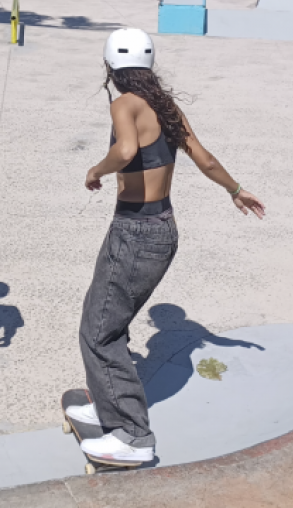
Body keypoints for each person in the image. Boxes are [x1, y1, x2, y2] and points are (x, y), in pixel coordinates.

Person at [66, 28, 266, 465]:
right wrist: (236, 189)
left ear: (110, 67)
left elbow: (125, 149)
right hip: (163, 227)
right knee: (109, 320)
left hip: (135, 232)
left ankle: (132, 437)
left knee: (99, 331)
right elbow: (204, 158)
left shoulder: (123, 103)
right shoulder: (164, 106)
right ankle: (107, 405)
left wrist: (94, 170)